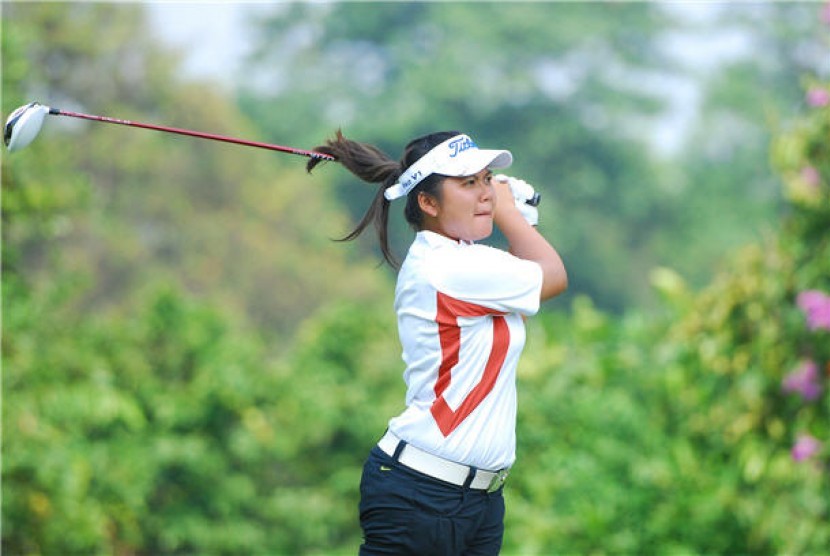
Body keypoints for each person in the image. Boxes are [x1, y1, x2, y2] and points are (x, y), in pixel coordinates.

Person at [307, 130, 567, 555]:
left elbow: (528, 272)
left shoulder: (472, 262)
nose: (485, 193)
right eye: (469, 183)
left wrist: (519, 218)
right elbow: (552, 276)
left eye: (487, 179)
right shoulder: (443, 267)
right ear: (428, 203)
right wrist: (511, 214)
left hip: (479, 501)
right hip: (421, 497)